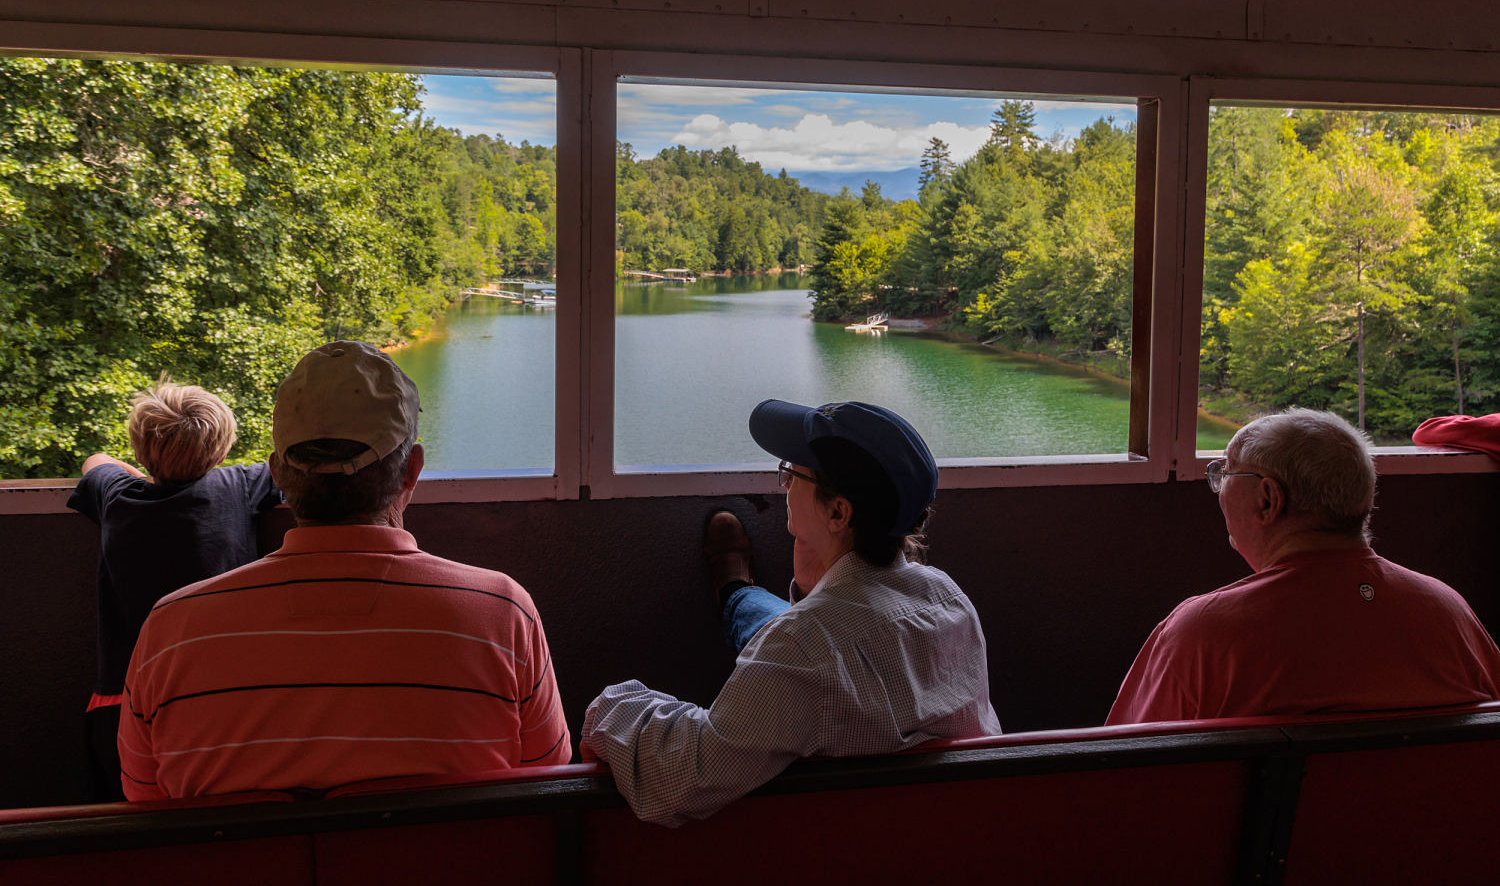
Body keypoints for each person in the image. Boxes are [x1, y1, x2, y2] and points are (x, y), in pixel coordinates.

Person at [117, 341, 569, 799]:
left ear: (277, 473)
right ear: (413, 469)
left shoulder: (169, 630)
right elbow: (547, 775)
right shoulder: (503, 612)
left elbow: (145, 797)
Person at [582, 399, 1001, 827]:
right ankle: (740, 593)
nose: (783, 484)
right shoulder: (949, 598)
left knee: (768, 624)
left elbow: (684, 774)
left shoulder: (802, 648)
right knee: (772, 621)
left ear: (838, 512)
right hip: (948, 829)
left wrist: (609, 710)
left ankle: (735, 592)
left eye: (791, 472)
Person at [1108, 408, 1500, 725]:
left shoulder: (1202, 633)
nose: (1219, 486)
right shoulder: (1447, 611)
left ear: (1267, 500)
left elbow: (1127, 768)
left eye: (1225, 473)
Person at [68, 380, 279, 801]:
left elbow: (96, 460)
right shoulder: (239, 487)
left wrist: (141, 474)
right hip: (216, 699)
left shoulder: (116, 496)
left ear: (139, 445)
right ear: (221, 447)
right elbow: (285, 468)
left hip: (121, 701)